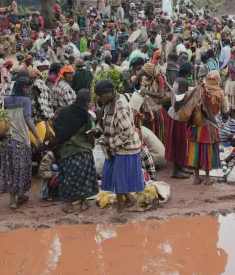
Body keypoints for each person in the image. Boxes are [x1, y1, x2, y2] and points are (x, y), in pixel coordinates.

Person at [93, 78, 146, 215]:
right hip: (115, 146)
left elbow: (127, 132)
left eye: (101, 95)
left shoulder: (120, 105)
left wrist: (110, 143)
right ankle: (128, 200)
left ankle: (121, 208)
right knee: (112, 175)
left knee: (119, 178)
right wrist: (99, 129)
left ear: (108, 92)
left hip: (126, 146)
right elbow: (105, 121)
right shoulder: (109, 103)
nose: (101, 98)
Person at [0, 77, 41, 210]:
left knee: (10, 170)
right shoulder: (25, 101)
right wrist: (37, 137)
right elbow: (28, 119)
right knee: (21, 170)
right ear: (23, 88)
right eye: (27, 88)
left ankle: (14, 199)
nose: (28, 90)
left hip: (6, 140)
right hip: (20, 141)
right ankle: (18, 197)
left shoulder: (5, 100)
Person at [53, 89, 99, 213]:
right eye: (89, 101)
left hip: (68, 153)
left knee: (68, 179)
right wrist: (92, 144)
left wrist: (61, 138)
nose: (90, 104)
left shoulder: (63, 111)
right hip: (84, 153)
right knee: (84, 178)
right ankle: (84, 203)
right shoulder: (87, 116)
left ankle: (68, 205)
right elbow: (89, 135)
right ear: (85, 102)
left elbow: (55, 126)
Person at [188, 71, 229, 185]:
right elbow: (225, 113)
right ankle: (206, 178)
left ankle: (196, 177)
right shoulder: (220, 93)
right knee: (207, 151)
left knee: (195, 150)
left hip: (196, 124)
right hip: (209, 126)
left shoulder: (199, 89)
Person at [166, 61, 194, 179]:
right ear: (188, 71)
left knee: (179, 143)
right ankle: (176, 171)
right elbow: (179, 102)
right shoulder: (183, 82)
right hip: (178, 116)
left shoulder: (178, 80)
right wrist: (185, 115)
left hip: (175, 115)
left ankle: (180, 167)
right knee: (179, 143)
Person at [139, 62, 169, 143]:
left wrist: (147, 92)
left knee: (156, 135)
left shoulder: (159, 78)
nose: (144, 75)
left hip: (155, 111)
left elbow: (161, 95)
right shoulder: (146, 79)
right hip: (147, 110)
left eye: (145, 73)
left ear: (150, 72)